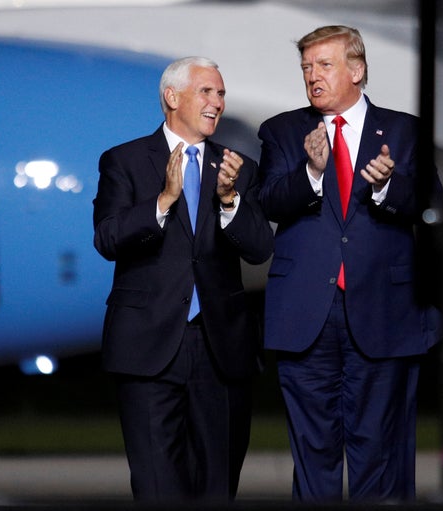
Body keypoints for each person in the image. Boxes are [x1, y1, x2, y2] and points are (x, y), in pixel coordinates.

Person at [257, 25, 443, 502]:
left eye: (324, 65)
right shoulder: (282, 131)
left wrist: (386, 187)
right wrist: (311, 173)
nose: (312, 76)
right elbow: (269, 202)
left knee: (378, 450)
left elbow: (432, 206)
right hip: (306, 315)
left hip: (384, 309)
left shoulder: (404, 131)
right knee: (313, 451)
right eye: (306, 67)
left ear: (357, 70)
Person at [93, 56, 273, 502]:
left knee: (217, 485)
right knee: (157, 486)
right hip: (148, 345)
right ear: (172, 98)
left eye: (221, 93)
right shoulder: (125, 160)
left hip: (220, 349)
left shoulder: (238, 168)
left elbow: (259, 249)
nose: (218, 103)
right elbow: (107, 237)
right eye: (207, 92)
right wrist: (164, 200)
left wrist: (230, 200)